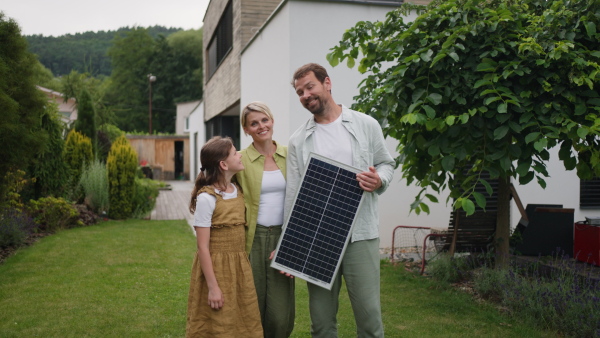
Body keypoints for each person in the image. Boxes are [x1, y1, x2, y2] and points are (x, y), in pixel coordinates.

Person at [286, 63, 395, 337]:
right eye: (300, 92)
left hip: (361, 235)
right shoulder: (299, 141)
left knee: (369, 320)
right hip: (318, 239)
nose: (305, 95)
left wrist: (379, 180)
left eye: (309, 87)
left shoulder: (365, 124)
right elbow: (294, 195)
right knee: (321, 323)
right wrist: (290, 246)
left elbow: (386, 164)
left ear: (327, 83)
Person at [186, 136, 263, 338]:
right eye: (235, 153)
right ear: (223, 164)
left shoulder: (237, 190)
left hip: (239, 266)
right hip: (216, 269)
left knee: (243, 319)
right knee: (217, 324)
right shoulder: (207, 198)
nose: (240, 155)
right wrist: (212, 287)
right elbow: (202, 247)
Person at [235, 101, 295, 338]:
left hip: (284, 236)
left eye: (264, 120)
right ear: (246, 129)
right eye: (254, 123)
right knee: (252, 309)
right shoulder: (238, 160)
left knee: (280, 316)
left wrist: (292, 242)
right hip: (252, 239)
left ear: (272, 121)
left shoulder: (290, 155)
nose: (261, 126)